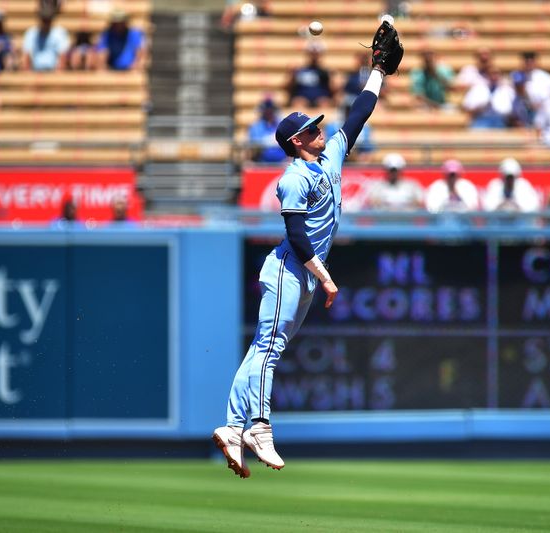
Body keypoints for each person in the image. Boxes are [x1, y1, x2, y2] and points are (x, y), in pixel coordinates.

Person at [212, 21, 401, 478]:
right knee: (269, 349)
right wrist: (325, 276)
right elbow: (297, 236)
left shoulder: (329, 156)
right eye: (313, 129)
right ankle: (258, 426)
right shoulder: (294, 177)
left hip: (302, 273)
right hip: (290, 269)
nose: (321, 129)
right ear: (297, 141)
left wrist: (377, 72)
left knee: (263, 348)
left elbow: (358, 114)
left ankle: (233, 428)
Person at [286, 40, 334, 109]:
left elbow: (333, 90)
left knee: (324, 103)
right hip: (302, 98)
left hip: (321, 99)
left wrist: (331, 78)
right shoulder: (299, 71)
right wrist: (291, 75)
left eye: (317, 54)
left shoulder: (326, 72)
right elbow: (288, 88)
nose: (314, 56)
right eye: (312, 53)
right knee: (298, 103)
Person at [21, 6, 70, 71]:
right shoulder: (31, 33)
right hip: (35, 71)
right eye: (44, 19)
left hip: (53, 71)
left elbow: (63, 57)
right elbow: (26, 56)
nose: (46, 23)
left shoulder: (60, 33)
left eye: (48, 20)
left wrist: (58, 76)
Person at [247, 97, 287, 163]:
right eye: (266, 109)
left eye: (271, 109)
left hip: (282, 162)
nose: (269, 112)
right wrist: (270, 140)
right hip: (262, 161)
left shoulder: (281, 124)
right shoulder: (256, 126)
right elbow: (255, 145)